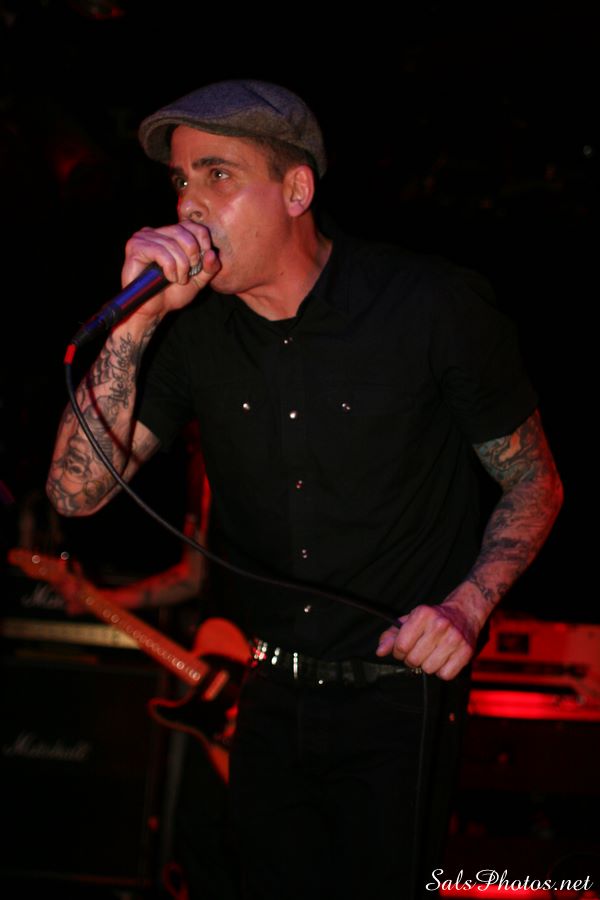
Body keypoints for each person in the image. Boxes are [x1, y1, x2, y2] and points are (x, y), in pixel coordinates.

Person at [46, 79, 563, 900]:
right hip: (269, 696)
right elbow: (74, 494)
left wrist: (468, 606)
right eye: (180, 180)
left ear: (295, 189)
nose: (189, 204)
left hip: (399, 702)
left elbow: (534, 480)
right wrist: (136, 323)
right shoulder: (191, 334)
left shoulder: (426, 305)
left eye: (217, 174)